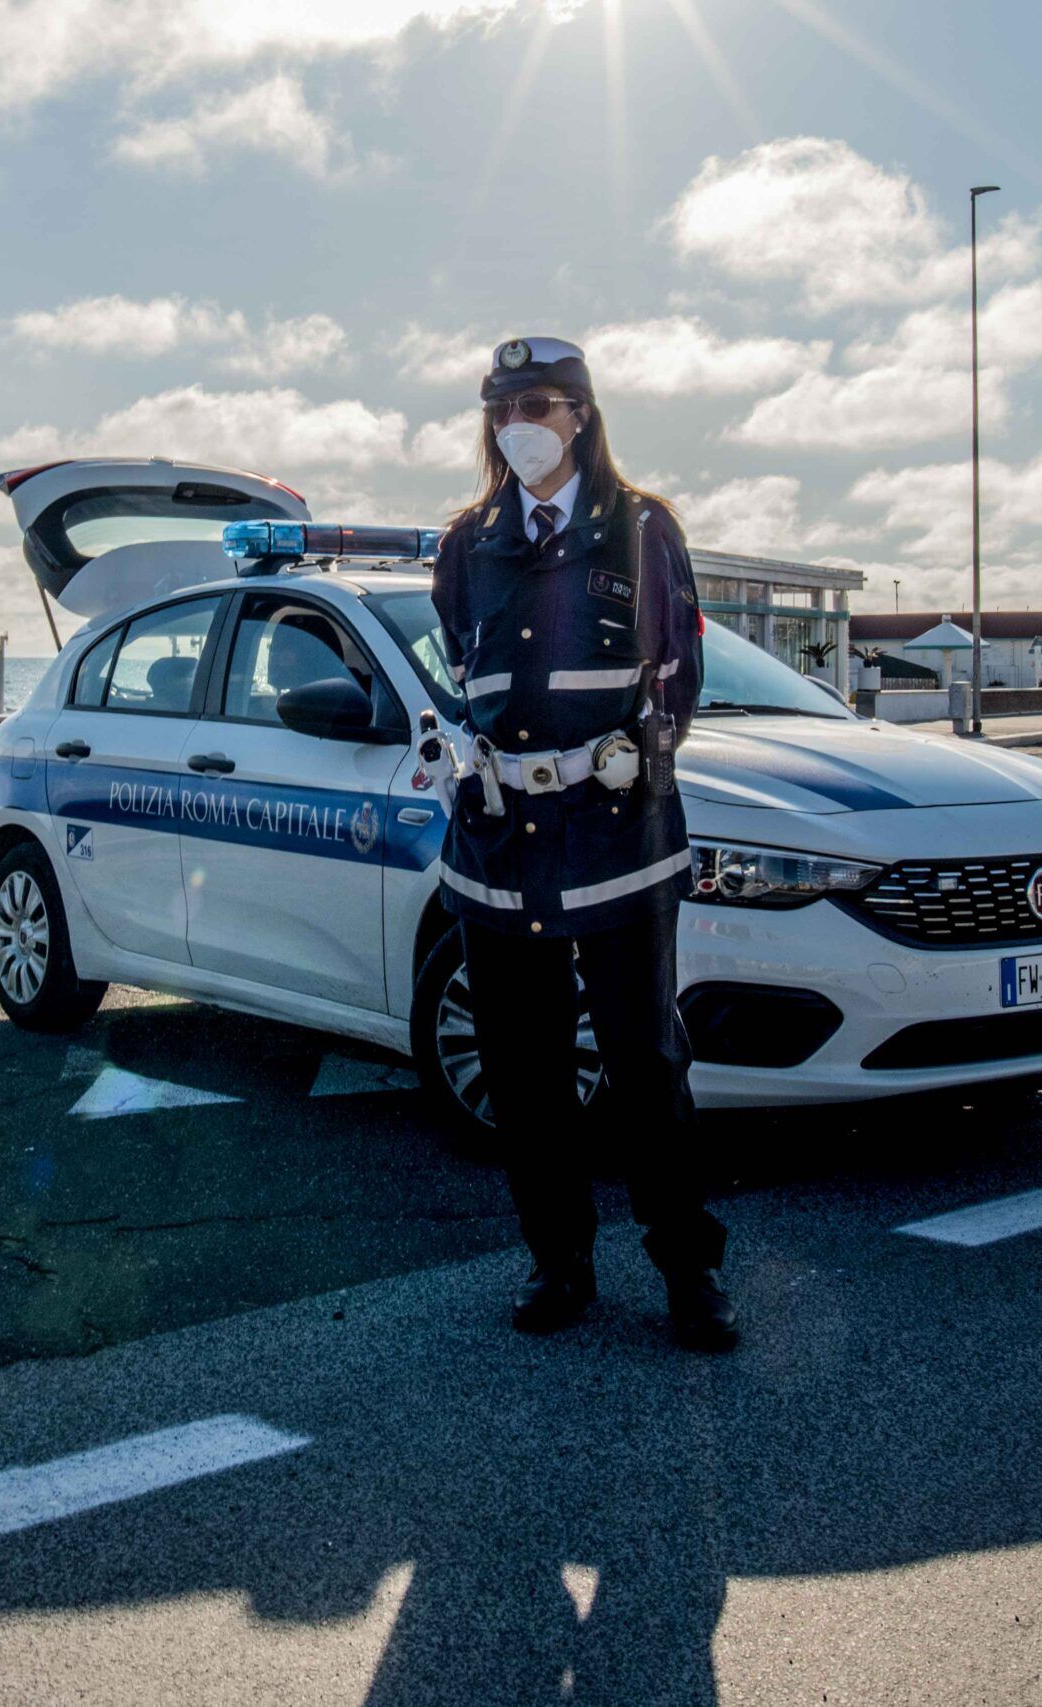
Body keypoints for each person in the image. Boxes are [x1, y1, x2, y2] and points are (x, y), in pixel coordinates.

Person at [431, 335, 735, 1350]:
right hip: (499, 846)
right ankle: (558, 1262)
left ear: (584, 417)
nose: (525, 422)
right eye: (508, 405)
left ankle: (689, 1273)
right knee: (525, 1073)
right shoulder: (466, 543)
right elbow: (462, 665)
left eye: (547, 403)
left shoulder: (641, 530)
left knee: (645, 1065)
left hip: (616, 843)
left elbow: (679, 678)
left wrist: (624, 768)